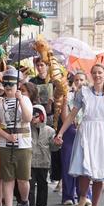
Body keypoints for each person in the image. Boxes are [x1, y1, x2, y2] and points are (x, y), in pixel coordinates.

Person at [55, 64, 104, 206]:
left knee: (101, 171)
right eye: (94, 73)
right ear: (91, 75)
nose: (97, 75)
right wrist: (61, 132)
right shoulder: (83, 92)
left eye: (100, 72)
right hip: (86, 132)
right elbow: (72, 115)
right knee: (85, 170)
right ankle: (83, 197)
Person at [0, 67, 34, 206]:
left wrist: (20, 99)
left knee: (23, 180)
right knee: (8, 179)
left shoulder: (26, 100)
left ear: (18, 85)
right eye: (6, 83)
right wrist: (6, 136)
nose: (8, 87)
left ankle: (24, 202)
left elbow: (28, 118)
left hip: (23, 144)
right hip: (5, 144)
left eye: (12, 83)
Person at [59, 71, 92, 206]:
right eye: (76, 80)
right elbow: (64, 118)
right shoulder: (70, 96)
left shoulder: (90, 95)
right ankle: (68, 195)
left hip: (85, 132)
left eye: (82, 80)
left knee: (85, 163)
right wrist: (65, 102)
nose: (79, 82)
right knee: (68, 162)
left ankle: (84, 195)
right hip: (70, 132)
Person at [29, 57, 62, 191]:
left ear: (48, 66)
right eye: (38, 65)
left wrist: (52, 102)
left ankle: (54, 175)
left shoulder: (54, 82)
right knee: (36, 145)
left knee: (53, 146)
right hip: (36, 116)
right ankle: (37, 174)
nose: (40, 67)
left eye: (43, 65)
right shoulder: (33, 81)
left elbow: (60, 99)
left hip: (52, 117)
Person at [29, 104, 59, 206]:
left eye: (36, 116)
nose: (33, 118)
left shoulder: (49, 131)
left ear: (42, 116)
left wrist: (57, 144)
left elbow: (53, 148)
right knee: (30, 184)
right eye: (32, 116)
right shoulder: (27, 129)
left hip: (44, 161)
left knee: (43, 184)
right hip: (30, 161)